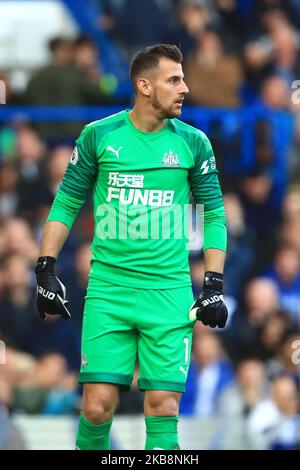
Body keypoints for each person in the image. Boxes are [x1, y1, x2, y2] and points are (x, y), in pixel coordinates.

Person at [34, 44, 228, 450]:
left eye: (183, 78)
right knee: (96, 407)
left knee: (162, 406)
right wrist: (45, 268)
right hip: (109, 291)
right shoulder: (99, 136)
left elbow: (213, 214)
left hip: (170, 293)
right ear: (144, 86)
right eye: (173, 80)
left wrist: (213, 283)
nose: (185, 88)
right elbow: (67, 202)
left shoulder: (195, 143)